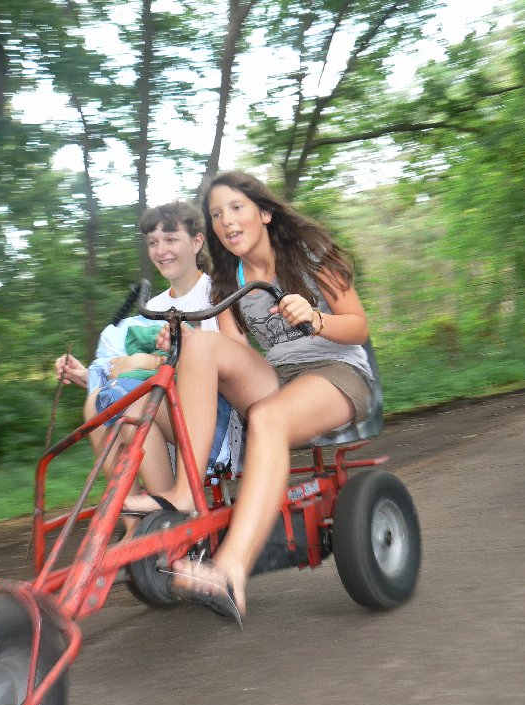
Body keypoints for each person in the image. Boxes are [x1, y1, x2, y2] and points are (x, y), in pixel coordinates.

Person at [128, 171, 374, 624]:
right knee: (202, 345)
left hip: (337, 371)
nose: (226, 220)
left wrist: (316, 318)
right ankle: (184, 492)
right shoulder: (228, 279)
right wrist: (185, 348)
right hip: (278, 375)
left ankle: (230, 570)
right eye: (216, 214)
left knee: (268, 419)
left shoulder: (309, 253)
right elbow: (234, 354)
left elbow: (358, 326)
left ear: (264, 213)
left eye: (236, 208)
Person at [55, 201, 230, 529]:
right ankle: (135, 524)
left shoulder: (217, 295)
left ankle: (169, 517)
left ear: (197, 242)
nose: (161, 250)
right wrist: (89, 376)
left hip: (213, 415)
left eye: (171, 239)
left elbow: (228, 367)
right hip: (165, 405)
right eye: (153, 242)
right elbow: (136, 373)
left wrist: (151, 360)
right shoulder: (154, 307)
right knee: (97, 404)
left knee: (134, 404)